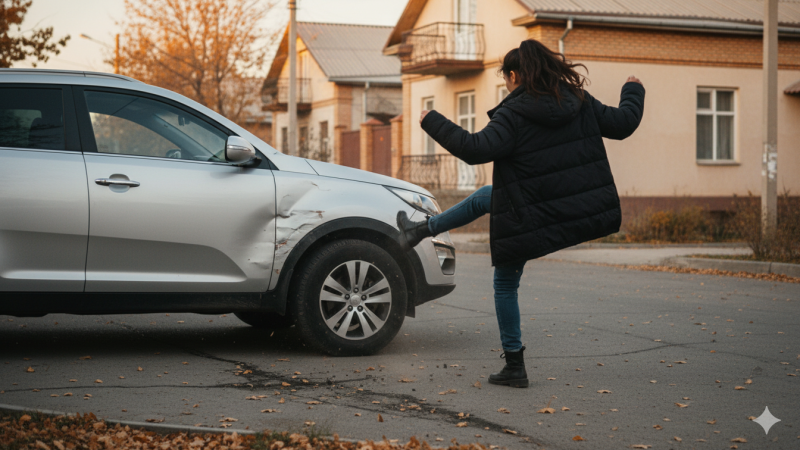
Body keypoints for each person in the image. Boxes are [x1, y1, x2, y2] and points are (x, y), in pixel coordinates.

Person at [396, 39, 645, 388]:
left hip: (529, 213)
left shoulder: (514, 114)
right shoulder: (579, 101)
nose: (506, 85)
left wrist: (432, 120)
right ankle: (421, 230)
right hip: (566, 209)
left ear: (514, 75)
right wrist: (632, 90)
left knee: (504, 285)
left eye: (505, 79)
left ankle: (515, 365)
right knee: (486, 197)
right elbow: (623, 123)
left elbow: (474, 149)